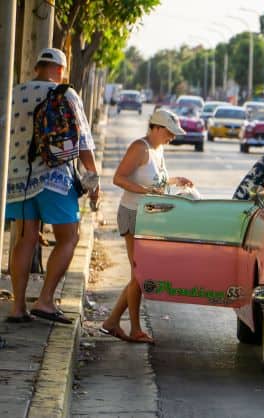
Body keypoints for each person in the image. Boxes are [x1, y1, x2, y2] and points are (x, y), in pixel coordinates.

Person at [5, 48, 100, 324]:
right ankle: (46, 301)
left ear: (37, 67)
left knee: (27, 239)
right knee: (69, 237)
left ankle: (17, 307)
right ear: (60, 69)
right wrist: (93, 182)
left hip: (18, 180)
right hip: (55, 178)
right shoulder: (66, 94)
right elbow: (83, 142)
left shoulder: (17, 93)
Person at [100, 109, 193, 344]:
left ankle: (112, 322)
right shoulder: (139, 148)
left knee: (139, 274)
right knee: (139, 274)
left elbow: (156, 181)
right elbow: (118, 178)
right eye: (170, 132)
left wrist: (176, 181)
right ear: (157, 128)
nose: (172, 137)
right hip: (133, 214)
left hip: (149, 216)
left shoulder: (158, 149)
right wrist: (145, 192)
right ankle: (134, 329)